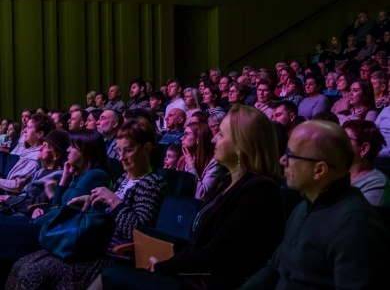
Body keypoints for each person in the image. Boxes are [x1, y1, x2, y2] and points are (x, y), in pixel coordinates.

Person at [92, 104, 286, 290]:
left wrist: (162, 268)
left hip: (210, 283)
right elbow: (197, 245)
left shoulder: (260, 191)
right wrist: (165, 265)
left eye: (220, 134)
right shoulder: (226, 183)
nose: (212, 140)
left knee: (108, 277)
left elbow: (217, 256)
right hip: (195, 276)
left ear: (242, 143)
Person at [6, 120, 169, 289]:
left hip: (109, 255)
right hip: (90, 247)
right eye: (119, 151)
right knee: (22, 264)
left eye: (128, 150)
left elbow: (138, 230)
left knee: (32, 272)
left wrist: (113, 200)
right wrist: (92, 200)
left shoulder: (152, 184)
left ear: (147, 149)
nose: (121, 158)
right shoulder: (124, 179)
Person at [240, 119, 390, 290]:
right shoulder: (305, 205)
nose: (282, 160)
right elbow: (274, 269)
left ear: (320, 170)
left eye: (291, 155)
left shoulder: (357, 226)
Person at [0, 129, 112, 283]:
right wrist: (65, 179)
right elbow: (57, 205)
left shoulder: (95, 175)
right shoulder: (78, 174)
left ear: (85, 151)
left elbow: (64, 212)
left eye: (72, 147)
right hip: (43, 223)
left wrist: (47, 209)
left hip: (50, 232)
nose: (68, 150)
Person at [0, 128, 69, 216]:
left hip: (23, 214)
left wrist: (7, 198)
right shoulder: (40, 171)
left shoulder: (57, 177)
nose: (41, 148)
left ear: (56, 155)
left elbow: (37, 203)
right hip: (14, 206)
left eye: (46, 146)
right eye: (42, 144)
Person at [0, 114, 55, 194]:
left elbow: (17, 186)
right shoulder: (30, 151)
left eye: (29, 127)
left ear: (40, 134)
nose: (24, 130)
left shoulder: (36, 157)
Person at [342, 119, 390, 207]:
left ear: (364, 149)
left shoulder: (377, 184)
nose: (337, 142)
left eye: (344, 139)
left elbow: (359, 218)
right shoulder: (335, 171)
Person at [176, 122, 221, 200]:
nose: (181, 138)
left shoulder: (214, 162)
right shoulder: (183, 159)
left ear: (198, 138)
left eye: (187, 134)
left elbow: (201, 195)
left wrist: (191, 168)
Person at [96, 110, 124, 183]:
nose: (97, 122)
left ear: (114, 123)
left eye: (102, 118)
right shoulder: (104, 142)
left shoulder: (122, 146)